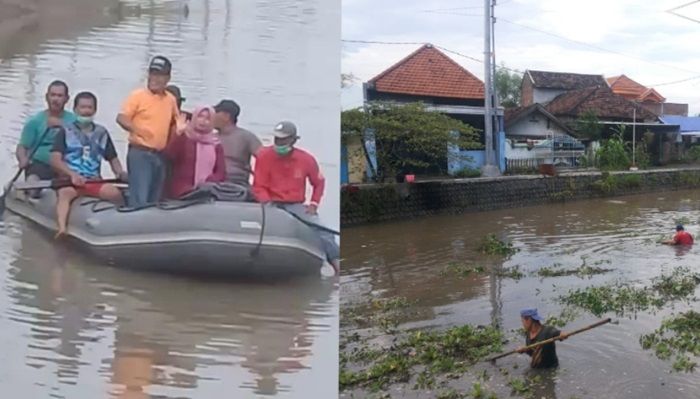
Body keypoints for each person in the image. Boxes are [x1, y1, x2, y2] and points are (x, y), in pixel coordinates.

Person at [252, 121, 339, 274]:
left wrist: (314, 204)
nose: (279, 143)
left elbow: (318, 183)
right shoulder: (264, 156)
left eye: (283, 140)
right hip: (270, 203)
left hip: (295, 205)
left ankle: (336, 266)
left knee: (324, 231)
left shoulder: (306, 159)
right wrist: (267, 204)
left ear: (293, 140)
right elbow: (259, 185)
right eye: (277, 139)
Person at [50, 92, 127, 237]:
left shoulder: (101, 133)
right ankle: (61, 228)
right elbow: (55, 159)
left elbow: (112, 158)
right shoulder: (65, 131)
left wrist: (120, 173)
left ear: (95, 110)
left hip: (93, 180)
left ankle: (122, 224)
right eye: (82, 107)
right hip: (70, 180)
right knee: (65, 194)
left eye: (89, 107)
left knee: (114, 193)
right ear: (75, 110)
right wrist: (72, 175)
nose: (86, 111)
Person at [116, 55, 179, 208]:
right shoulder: (137, 96)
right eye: (152, 74)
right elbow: (121, 118)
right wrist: (137, 130)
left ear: (168, 78)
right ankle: (133, 225)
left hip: (159, 155)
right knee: (140, 197)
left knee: (154, 199)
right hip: (140, 153)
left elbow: (175, 122)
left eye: (159, 75)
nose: (154, 78)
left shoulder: (170, 100)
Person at [16, 80, 77, 194]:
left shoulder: (74, 121)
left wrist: (62, 125)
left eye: (59, 96)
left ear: (66, 99)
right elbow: (22, 146)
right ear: (46, 97)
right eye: (52, 95)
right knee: (33, 185)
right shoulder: (35, 121)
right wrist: (23, 159)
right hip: (39, 166)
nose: (55, 99)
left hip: (65, 167)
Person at [163, 106, 226, 198]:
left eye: (207, 119)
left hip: (206, 191)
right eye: (200, 117)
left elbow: (221, 172)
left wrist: (208, 182)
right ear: (194, 118)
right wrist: (178, 134)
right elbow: (170, 156)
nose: (203, 121)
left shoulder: (215, 144)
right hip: (181, 191)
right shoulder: (184, 137)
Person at [213, 99, 262, 187]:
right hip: (214, 181)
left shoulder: (246, 137)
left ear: (226, 116)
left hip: (238, 181)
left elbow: (265, 158)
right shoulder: (211, 138)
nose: (212, 116)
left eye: (216, 112)